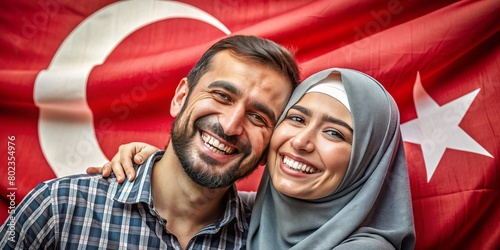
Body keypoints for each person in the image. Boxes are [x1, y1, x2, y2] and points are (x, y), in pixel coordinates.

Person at [0, 35, 300, 249]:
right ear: (180, 97)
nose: (231, 125)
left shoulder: (268, 239)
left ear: (268, 149)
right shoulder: (60, 208)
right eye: (222, 96)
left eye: (258, 117)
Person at [96, 68, 416, 249]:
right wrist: (163, 165)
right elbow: (194, 190)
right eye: (297, 119)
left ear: (366, 161)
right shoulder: (254, 215)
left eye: (334, 133)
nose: (302, 142)